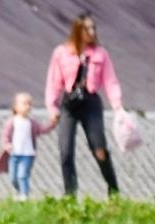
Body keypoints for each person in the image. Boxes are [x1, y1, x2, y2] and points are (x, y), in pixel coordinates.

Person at [44, 11, 125, 198]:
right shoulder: (62, 53)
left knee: (99, 148)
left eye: (93, 28)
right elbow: (53, 82)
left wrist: (118, 106)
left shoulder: (100, 54)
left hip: (90, 102)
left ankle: (113, 189)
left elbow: (110, 81)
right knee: (65, 151)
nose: (91, 32)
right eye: (87, 28)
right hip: (70, 103)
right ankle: (70, 194)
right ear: (78, 30)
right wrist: (52, 107)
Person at [1, 92, 56, 201]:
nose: (28, 106)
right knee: (13, 177)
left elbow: (42, 130)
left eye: (30, 104)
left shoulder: (32, 123)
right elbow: (5, 136)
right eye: (24, 104)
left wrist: (52, 124)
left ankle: (24, 195)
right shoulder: (12, 122)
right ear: (16, 107)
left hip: (27, 154)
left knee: (23, 175)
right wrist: (7, 145)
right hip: (14, 154)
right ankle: (20, 191)